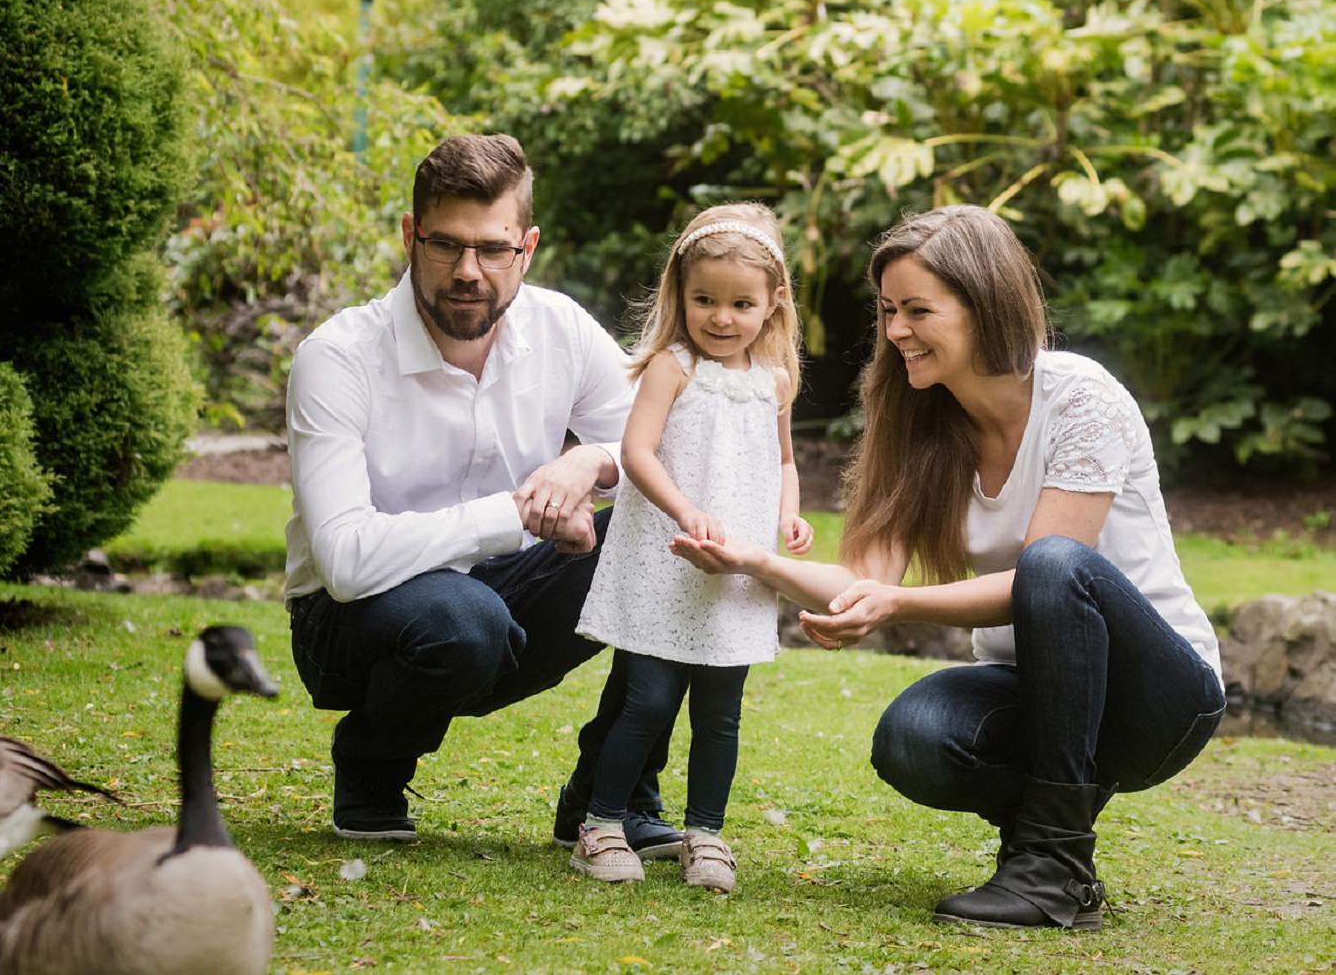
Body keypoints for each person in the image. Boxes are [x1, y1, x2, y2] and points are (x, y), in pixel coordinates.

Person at [671, 204, 1225, 927]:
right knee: (914, 736)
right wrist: (754, 561)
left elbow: (1044, 577)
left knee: (1055, 563)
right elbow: (863, 580)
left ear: (984, 307)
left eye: (918, 310)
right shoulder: (920, 418)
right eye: (890, 310)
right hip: (1040, 689)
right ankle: (1051, 862)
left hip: (1160, 695)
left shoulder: (1082, 399)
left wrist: (900, 605)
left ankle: (1051, 866)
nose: (897, 330)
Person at [284, 133, 677, 850]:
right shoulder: (337, 357)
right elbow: (342, 560)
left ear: (526, 246)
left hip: (503, 603)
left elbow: (666, 446)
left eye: (493, 249)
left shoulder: (558, 327)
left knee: (672, 539)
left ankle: (609, 797)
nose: (469, 271)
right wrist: (517, 513)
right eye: (446, 245)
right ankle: (370, 768)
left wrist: (590, 461)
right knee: (463, 616)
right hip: (350, 626)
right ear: (411, 235)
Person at [562, 203, 810, 892]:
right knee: (647, 699)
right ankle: (601, 822)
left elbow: (785, 462)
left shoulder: (775, 381)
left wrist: (790, 516)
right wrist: (686, 509)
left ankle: (705, 830)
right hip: (664, 558)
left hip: (734, 571)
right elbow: (637, 451)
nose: (721, 317)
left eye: (740, 303)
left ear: (773, 303)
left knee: (720, 712)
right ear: (681, 294)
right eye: (704, 299)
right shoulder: (672, 367)